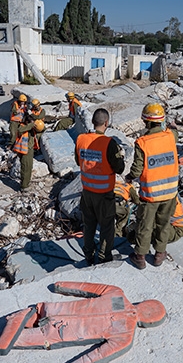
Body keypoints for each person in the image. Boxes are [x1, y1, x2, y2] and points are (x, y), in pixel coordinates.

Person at [0, 281, 167, 363]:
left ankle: (19, 317)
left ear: (143, 303)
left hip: (49, 310)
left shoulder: (117, 294)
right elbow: (94, 358)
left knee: (29, 315)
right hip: (57, 334)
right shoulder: (124, 336)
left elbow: (85, 288)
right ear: (147, 323)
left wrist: (59, 286)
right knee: (13, 340)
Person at [126, 102, 180, 270]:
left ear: (146, 122)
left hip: (151, 194)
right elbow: (175, 131)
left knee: (145, 224)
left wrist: (129, 177)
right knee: (163, 223)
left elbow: (137, 168)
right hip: (170, 192)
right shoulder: (171, 136)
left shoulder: (142, 142)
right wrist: (172, 126)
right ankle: (159, 254)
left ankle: (140, 256)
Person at [75, 108, 125, 265]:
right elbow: (120, 168)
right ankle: (104, 256)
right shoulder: (109, 143)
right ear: (106, 123)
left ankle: (88, 255)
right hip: (104, 194)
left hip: (87, 192)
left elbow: (79, 161)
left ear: (92, 122)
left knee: (89, 225)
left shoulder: (81, 139)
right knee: (107, 226)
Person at [13, 119, 45, 191]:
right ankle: (24, 187)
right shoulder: (23, 127)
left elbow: (41, 129)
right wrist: (31, 125)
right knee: (26, 167)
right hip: (25, 150)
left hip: (29, 150)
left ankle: (25, 183)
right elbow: (20, 130)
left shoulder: (30, 128)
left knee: (28, 167)